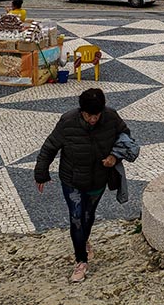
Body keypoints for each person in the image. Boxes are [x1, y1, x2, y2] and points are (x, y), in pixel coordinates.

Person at [34, 88, 131, 283]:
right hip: (72, 180)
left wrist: (114, 156)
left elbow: (125, 137)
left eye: (96, 115)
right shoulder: (67, 121)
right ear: (82, 112)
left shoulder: (111, 117)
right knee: (76, 217)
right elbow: (49, 147)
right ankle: (81, 261)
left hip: (98, 179)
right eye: (88, 115)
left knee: (88, 216)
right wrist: (41, 173)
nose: (93, 119)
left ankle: (83, 241)